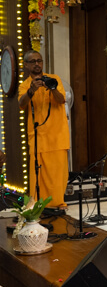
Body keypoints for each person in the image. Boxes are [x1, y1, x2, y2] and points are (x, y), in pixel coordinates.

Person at [18, 50, 69, 209]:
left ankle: (59, 202)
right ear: (26, 65)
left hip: (57, 135)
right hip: (38, 135)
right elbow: (22, 103)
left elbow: (61, 100)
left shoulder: (54, 79)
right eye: (32, 61)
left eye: (39, 61)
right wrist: (32, 90)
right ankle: (38, 203)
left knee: (57, 173)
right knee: (37, 173)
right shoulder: (25, 85)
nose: (37, 64)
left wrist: (51, 87)